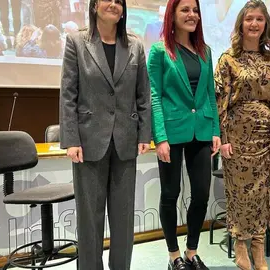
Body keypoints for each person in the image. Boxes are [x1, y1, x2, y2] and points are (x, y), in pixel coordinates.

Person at [59, 0, 152, 269]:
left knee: (123, 218)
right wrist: (71, 139)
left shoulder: (134, 45)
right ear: (94, 5)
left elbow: (143, 94)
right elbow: (68, 95)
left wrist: (144, 133)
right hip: (88, 143)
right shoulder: (76, 41)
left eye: (118, 1)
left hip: (126, 141)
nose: (113, 4)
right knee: (90, 218)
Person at [147, 0, 221, 269]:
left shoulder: (205, 52)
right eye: (185, 10)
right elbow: (154, 96)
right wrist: (160, 137)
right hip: (172, 131)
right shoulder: (159, 51)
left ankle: (191, 251)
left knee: (201, 193)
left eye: (195, 10)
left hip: (201, 130)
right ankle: (173, 256)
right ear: (172, 15)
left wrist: (215, 130)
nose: (192, 15)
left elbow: (210, 94)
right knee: (170, 193)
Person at [214, 1, 270, 270]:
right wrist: (223, 138)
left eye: (259, 19)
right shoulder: (227, 60)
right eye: (249, 19)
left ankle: (258, 246)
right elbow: (219, 100)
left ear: (266, 24)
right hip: (237, 137)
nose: (254, 24)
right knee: (240, 193)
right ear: (241, 24)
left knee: (263, 191)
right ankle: (240, 244)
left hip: (266, 138)